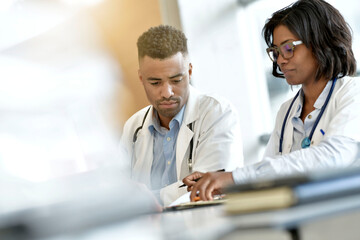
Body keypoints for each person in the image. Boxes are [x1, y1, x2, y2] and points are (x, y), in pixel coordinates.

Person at [183, 0, 360, 201]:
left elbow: (331, 158)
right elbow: (270, 174)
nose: (280, 60)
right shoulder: (287, 111)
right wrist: (218, 181)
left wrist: (234, 178)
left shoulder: (353, 94)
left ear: (320, 42)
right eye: (276, 51)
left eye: (288, 48)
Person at [121, 25, 244, 206]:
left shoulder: (217, 113)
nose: (167, 92)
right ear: (141, 78)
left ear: (190, 71)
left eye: (176, 80)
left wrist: (145, 199)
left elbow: (208, 188)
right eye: (155, 83)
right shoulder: (133, 127)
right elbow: (120, 191)